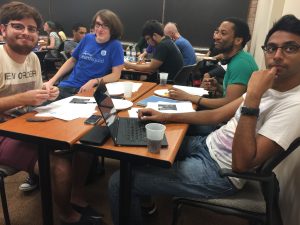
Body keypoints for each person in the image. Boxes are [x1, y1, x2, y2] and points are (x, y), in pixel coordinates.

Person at [108, 14, 300, 225]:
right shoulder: (269, 85)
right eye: (271, 48)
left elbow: (241, 165)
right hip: (208, 145)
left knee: (119, 182)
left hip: (221, 172)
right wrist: (166, 116)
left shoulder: (294, 104)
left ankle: (137, 197)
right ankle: (144, 205)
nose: (277, 56)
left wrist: (252, 98)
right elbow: (219, 114)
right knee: (138, 146)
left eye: (290, 48)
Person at [169, 17, 258, 109]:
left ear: (238, 40)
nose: (216, 37)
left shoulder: (241, 63)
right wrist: (218, 87)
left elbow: (228, 105)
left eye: (223, 33)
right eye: (217, 32)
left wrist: (188, 97)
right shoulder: (239, 58)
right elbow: (234, 97)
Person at [44, 9, 124, 99]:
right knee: (40, 106)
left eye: (105, 26)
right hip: (68, 85)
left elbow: (116, 75)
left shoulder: (115, 45)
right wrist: (52, 80)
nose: (100, 29)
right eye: (98, 25)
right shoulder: (88, 38)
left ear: (113, 28)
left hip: (90, 90)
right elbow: (72, 60)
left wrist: (94, 81)